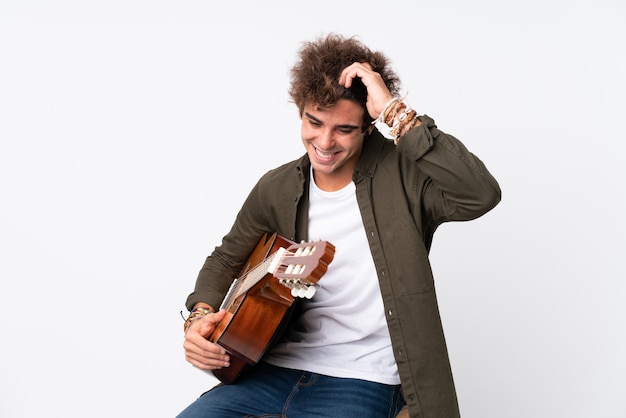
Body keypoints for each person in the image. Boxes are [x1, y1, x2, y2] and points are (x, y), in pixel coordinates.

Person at [177, 33, 501, 418]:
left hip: (365, 380)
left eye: (344, 129)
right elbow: (225, 259)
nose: (325, 142)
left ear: (368, 126)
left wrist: (395, 112)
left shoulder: (405, 176)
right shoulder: (277, 187)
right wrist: (198, 319)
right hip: (272, 373)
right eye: (314, 122)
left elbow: (479, 194)